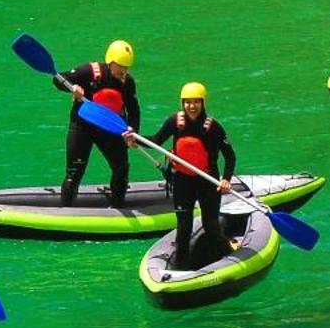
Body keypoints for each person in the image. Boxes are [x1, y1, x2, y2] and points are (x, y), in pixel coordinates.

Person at [130, 82, 236, 270]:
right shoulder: (175, 122)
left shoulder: (213, 127)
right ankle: (180, 269)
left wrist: (226, 179)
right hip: (182, 181)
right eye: (187, 102)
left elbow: (230, 156)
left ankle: (225, 253)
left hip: (207, 180)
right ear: (182, 103)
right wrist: (135, 138)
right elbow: (156, 140)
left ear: (203, 103)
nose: (191, 106)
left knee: (210, 226)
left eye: (196, 102)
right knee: (184, 228)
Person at [54, 39, 140, 206]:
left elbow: (134, 110)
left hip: (109, 128)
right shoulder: (89, 71)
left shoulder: (128, 83)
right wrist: (73, 87)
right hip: (82, 126)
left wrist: (133, 130)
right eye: (120, 66)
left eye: (126, 67)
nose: (124, 71)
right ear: (110, 62)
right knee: (74, 172)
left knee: (121, 167)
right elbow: (59, 79)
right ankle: (65, 210)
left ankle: (117, 207)